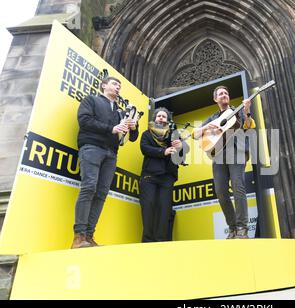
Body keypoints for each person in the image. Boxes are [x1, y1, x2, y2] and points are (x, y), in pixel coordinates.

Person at [72, 76, 139, 249]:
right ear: (104, 86)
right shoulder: (91, 100)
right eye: (115, 84)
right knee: (89, 187)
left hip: (111, 153)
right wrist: (111, 128)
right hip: (92, 147)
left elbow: (131, 138)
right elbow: (84, 121)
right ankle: (78, 237)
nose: (118, 87)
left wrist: (133, 127)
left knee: (101, 193)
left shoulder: (120, 111)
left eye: (120, 86)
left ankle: (89, 236)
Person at [193, 86, 256, 239]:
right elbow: (195, 135)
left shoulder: (238, 110)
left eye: (226, 93)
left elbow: (248, 126)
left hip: (236, 151)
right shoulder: (213, 117)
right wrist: (207, 126)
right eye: (221, 94)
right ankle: (232, 228)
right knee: (221, 192)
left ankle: (242, 228)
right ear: (215, 99)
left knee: (238, 187)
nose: (224, 95)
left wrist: (247, 111)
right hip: (218, 154)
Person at [139, 107, 189, 242]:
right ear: (154, 119)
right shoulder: (146, 134)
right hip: (149, 176)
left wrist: (180, 147)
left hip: (167, 176)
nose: (161, 118)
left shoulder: (174, 134)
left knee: (164, 208)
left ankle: (161, 240)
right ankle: (147, 241)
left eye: (164, 117)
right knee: (148, 207)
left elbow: (183, 154)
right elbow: (145, 148)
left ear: (168, 120)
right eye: (159, 116)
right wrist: (163, 151)